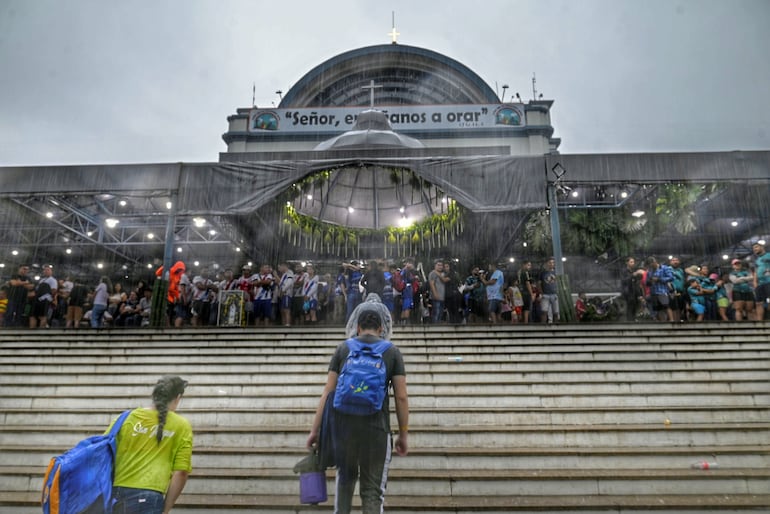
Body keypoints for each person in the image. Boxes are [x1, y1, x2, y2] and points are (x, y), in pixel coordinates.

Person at [307, 297, 409, 514]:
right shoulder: (391, 352)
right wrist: (403, 434)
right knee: (372, 491)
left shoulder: (344, 348)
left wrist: (315, 431)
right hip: (377, 429)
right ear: (381, 328)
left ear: (358, 327)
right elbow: (401, 397)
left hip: (344, 429)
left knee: (344, 482)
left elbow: (328, 391)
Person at [108, 375, 192, 514]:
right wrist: (165, 509)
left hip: (116, 494)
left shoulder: (125, 418)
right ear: (178, 398)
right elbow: (181, 472)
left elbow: (105, 451)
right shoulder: (181, 426)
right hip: (150, 497)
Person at [644, 256, 674, 322]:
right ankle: (663, 322)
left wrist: (659, 279)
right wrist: (649, 282)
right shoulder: (650, 271)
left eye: (651, 265)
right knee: (658, 308)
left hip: (662, 291)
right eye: (649, 266)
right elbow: (646, 282)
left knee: (666, 306)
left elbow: (671, 278)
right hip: (653, 292)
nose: (651, 267)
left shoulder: (664, 268)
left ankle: (672, 321)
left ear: (655, 262)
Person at [620, 257, 645, 322]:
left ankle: (633, 320)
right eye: (631, 262)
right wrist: (632, 276)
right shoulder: (624, 271)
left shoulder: (633, 271)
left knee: (634, 307)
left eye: (633, 262)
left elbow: (636, 284)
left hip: (634, 292)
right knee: (630, 307)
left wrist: (639, 294)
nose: (633, 263)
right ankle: (630, 321)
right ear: (627, 263)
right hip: (628, 292)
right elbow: (623, 281)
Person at [538, 258, 560, 324]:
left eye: (553, 263)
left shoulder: (556, 272)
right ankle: (543, 328)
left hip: (554, 294)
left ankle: (556, 328)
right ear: (547, 263)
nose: (551, 264)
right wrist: (541, 293)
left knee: (555, 312)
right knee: (544, 312)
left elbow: (559, 283)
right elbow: (539, 284)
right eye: (550, 262)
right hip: (545, 294)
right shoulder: (542, 273)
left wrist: (558, 292)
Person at [753, 242, 770, 321]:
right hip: (760, 284)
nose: (754, 249)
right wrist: (755, 283)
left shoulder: (769, 255)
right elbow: (755, 272)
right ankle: (760, 323)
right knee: (758, 303)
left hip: (768, 282)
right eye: (754, 248)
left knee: (769, 301)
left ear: (762, 247)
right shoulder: (757, 260)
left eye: (756, 247)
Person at [428, 259, 448, 323]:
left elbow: (445, 281)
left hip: (442, 296)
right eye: (438, 265)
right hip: (436, 297)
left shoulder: (444, 273)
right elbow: (432, 284)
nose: (440, 267)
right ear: (435, 266)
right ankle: (434, 327)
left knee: (441, 313)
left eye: (441, 265)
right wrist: (435, 294)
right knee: (436, 313)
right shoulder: (432, 273)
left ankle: (438, 325)